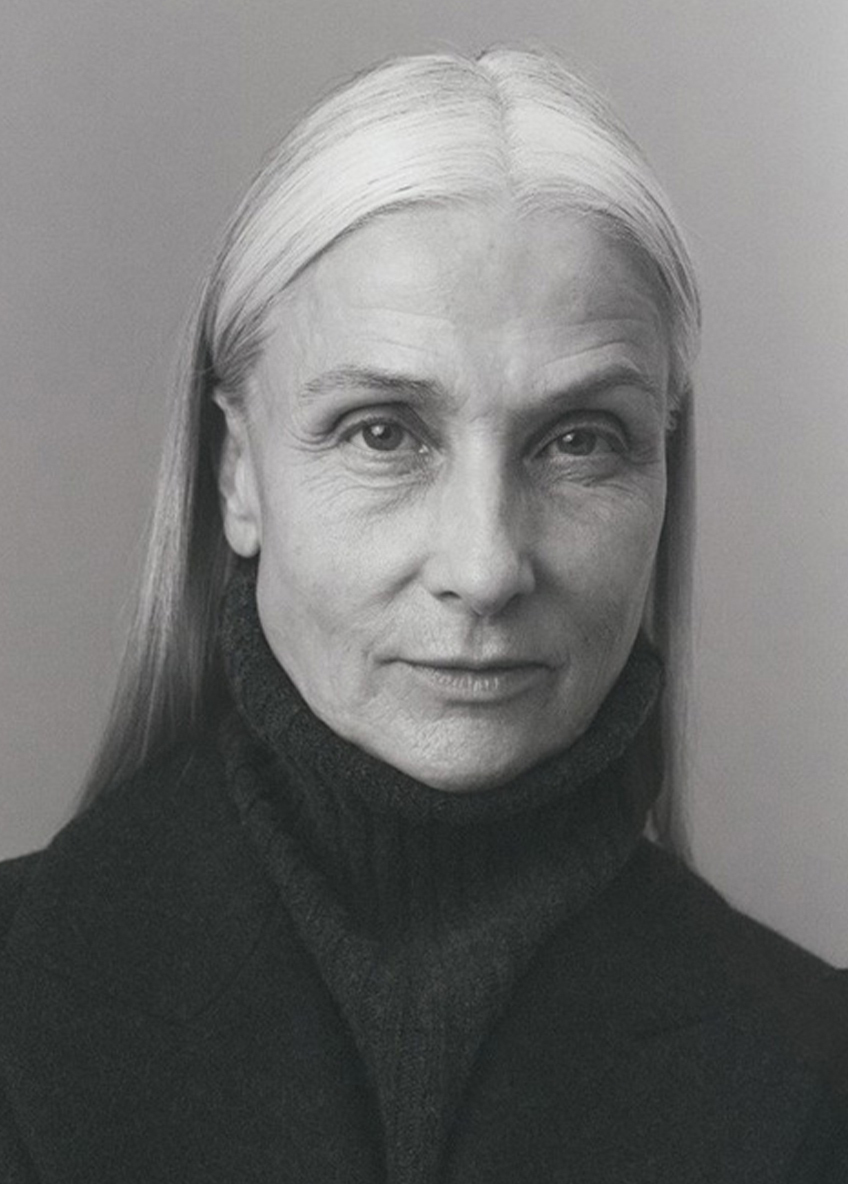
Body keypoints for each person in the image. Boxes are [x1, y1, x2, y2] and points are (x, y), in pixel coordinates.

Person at [0, 46, 846, 1183]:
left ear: (661, 469)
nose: (485, 567)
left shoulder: (814, 1071)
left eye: (579, 439)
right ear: (238, 475)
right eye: (384, 432)